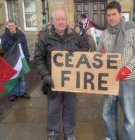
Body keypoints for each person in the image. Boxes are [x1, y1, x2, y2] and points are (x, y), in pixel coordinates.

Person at [34, 10, 88, 140]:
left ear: (66, 20)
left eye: (63, 19)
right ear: (53, 21)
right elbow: (38, 59)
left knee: (71, 109)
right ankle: (53, 132)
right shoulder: (45, 37)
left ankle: (69, 133)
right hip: (53, 81)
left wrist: (76, 53)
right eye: (58, 19)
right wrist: (46, 76)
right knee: (54, 109)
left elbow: (86, 48)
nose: (61, 22)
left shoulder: (74, 36)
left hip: (71, 81)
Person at [97, 1, 135, 140]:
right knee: (107, 113)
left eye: (114, 14)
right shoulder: (105, 34)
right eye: (108, 15)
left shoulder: (132, 31)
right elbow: (99, 52)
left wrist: (128, 69)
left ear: (120, 14)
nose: (111, 18)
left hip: (126, 80)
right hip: (109, 79)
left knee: (129, 117)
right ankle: (110, 137)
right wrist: (99, 53)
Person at [1, 20, 31, 101]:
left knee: (21, 76)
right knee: (13, 76)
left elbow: (25, 46)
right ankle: (15, 93)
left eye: (12, 25)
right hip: (11, 59)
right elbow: (4, 47)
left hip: (21, 58)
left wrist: (27, 56)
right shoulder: (5, 36)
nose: (11, 27)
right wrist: (13, 40)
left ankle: (22, 92)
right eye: (9, 26)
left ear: (15, 25)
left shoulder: (21, 34)